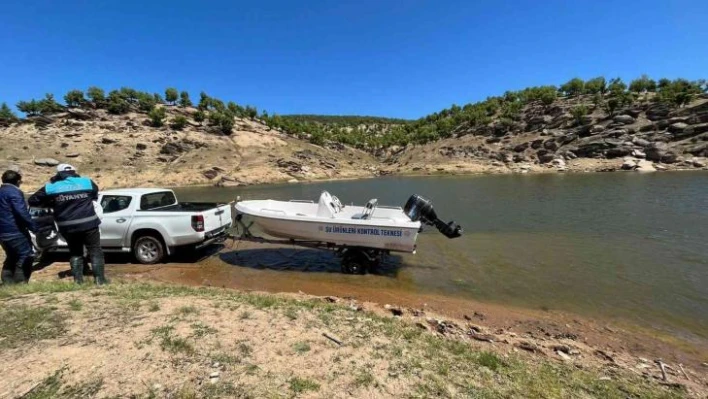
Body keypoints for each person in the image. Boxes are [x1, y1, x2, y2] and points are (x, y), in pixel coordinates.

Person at [28, 164, 107, 285]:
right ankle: (100, 281)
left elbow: (32, 200)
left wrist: (52, 203)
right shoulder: (87, 182)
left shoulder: (51, 187)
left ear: (59, 174)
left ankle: (78, 282)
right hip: (89, 223)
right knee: (95, 250)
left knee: (75, 252)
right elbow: (94, 196)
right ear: (74, 172)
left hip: (67, 226)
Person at [0, 169, 37, 284]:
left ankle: (7, 283)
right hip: (14, 230)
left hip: (2, 232)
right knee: (26, 255)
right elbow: (21, 212)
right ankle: (20, 283)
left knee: (11, 256)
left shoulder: (1, 191)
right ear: (17, 181)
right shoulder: (14, 192)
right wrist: (33, 227)